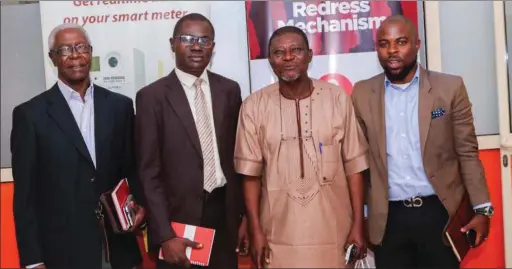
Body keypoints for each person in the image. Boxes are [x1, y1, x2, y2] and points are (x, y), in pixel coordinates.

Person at [351, 15, 494, 268]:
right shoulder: (361, 93)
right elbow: (358, 164)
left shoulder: (449, 88)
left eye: (401, 42)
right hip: (387, 218)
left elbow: (467, 153)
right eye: (384, 44)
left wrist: (482, 210)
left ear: (417, 44)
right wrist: (358, 220)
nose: (392, 51)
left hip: (439, 213)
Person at [11, 23, 146, 269]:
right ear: (53, 58)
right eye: (64, 49)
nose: (75, 55)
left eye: (81, 47)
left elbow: (132, 169)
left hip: (117, 245)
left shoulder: (120, 107)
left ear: (90, 52)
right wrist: (32, 260)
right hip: (62, 251)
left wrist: (140, 205)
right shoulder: (30, 115)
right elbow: (25, 197)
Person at [234, 25, 369, 268]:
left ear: (309, 55)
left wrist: (359, 224)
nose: (287, 58)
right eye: (279, 52)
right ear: (270, 61)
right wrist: (255, 229)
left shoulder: (337, 98)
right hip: (277, 233)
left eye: (296, 50)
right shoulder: (254, 107)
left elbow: (354, 166)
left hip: (334, 230)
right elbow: (250, 176)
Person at [135, 13, 247, 269]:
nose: (196, 46)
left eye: (204, 40)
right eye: (187, 39)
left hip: (224, 215)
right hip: (177, 224)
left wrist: (244, 218)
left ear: (213, 47)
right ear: (172, 44)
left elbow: (238, 158)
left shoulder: (229, 90)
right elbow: (148, 172)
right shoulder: (151, 97)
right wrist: (165, 235)